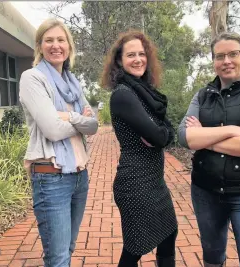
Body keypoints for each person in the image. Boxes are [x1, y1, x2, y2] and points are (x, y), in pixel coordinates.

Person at [178, 32, 240, 267]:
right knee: (212, 259)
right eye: (219, 56)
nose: (226, 61)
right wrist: (234, 129)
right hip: (206, 190)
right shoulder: (203, 95)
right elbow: (184, 136)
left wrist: (204, 137)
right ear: (213, 61)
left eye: (233, 54)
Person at [19, 18, 98, 267]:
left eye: (61, 40)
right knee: (58, 258)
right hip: (51, 178)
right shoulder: (32, 78)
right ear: (40, 46)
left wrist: (69, 116)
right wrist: (79, 122)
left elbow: (94, 125)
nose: (56, 45)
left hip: (79, 177)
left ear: (69, 46)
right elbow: (52, 130)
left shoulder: (73, 83)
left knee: (68, 249)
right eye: (49, 40)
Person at [100, 30, 178, 267]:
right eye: (130, 55)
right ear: (120, 61)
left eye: (141, 54)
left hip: (154, 181)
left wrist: (162, 132)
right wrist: (161, 133)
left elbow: (166, 131)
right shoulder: (123, 94)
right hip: (135, 183)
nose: (137, 59)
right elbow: (160, 135)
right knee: (135, 247)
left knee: (168, 235)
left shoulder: (143, 93)